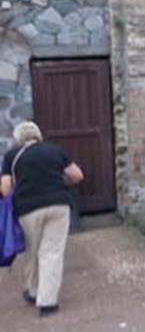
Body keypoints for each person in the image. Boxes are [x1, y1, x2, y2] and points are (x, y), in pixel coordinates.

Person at [0, 121, 84, 317]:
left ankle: (32, 290)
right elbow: (77, 175)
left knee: (32, 249)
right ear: (38, 135)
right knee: (51, 252)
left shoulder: (12, 156)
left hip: (27, 209)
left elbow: (4, 188)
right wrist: (60, 180)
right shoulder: (55, 150)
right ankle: (47, 303)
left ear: (18, 138)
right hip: (58, 204)